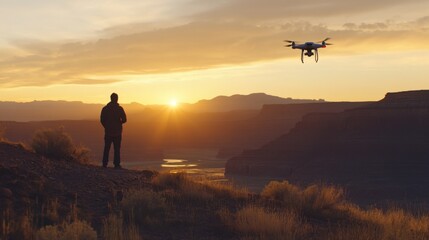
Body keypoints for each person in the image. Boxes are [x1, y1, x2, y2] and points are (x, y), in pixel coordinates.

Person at [100, 93, 127, 169]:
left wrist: (106, 126)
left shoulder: (105, 108)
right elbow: (125, 119)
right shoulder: (119, 109)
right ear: (117, 99)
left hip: (108, 131)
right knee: (117, 149)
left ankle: (104, 164)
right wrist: (119, 123)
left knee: (107, 148)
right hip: (117, 132)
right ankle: (116, 164)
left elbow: (102, 120)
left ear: (110, 98)